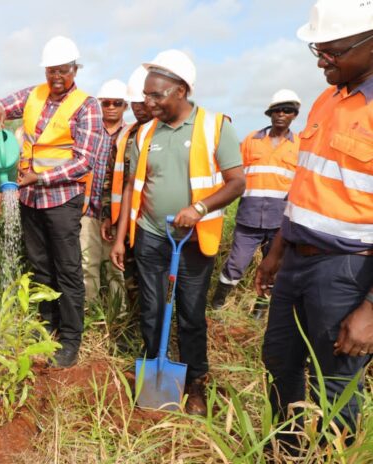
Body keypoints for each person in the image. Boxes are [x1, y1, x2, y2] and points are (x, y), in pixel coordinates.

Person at [256, 0, 373, 446]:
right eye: (318, 51)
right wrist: (276, 254)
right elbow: (305, 186)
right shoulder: (327, 99)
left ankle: (334, 455)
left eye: (334, 51)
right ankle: (283, 452)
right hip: (296, 262)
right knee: (279, 360)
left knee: (337, 381)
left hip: (346, 267)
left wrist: (370, 310)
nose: (323, 60)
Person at [110, 50, 245, 415]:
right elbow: (129, 189)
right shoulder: (145, 133)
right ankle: (155, 367)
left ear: (181, 91)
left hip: (194, 239)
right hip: (152, 234)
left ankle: (195, 382)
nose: (148, 102)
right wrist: (122, 237)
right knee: (152, 309)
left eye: (157, 95)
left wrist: (199, 208)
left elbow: (236, 183)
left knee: (189, 312)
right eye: (146, 95)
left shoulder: (215, 126)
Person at [0, 36, 103, 368]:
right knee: (39, 265)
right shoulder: (33, 93)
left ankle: (70, 340)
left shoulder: (86, 105)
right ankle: (45, 325)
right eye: (52, 70)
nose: (56, 77)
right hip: (30, 198)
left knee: (67, 270)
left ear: (74, 69)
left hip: (61, 199)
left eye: (63, 71)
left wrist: (40, 177)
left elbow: (84, 162)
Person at [211, 89, 301, 319]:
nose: (281, 114)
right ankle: (218, 304)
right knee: (236, 263)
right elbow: (233, 172)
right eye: (277, 110)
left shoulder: (299, 146)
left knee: (274, 268)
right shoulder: (251, 140)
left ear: (294, 115)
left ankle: (260, 309)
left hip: (279, 222)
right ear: (270, 113)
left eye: (287, 110)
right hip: (249, 217)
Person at [100, 67, 154, 311]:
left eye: (142, 102)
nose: (138, 108)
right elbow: (110, 179)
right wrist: (106, 215)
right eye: (134, 103)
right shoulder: (125, 135)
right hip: (127, 223)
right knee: (131, 280)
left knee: (154, 284)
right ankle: (134, 330)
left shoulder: (164, 134)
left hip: (154, 224)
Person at [79, 79, 126, 305]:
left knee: (116, 266)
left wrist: (114, 214)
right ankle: (90, 311)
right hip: (88, 208)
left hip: (116, 213)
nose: (111, 107)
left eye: (116, 103)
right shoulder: (90, 132)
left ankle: (118, 314)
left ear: (125, 106)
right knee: (88, 263)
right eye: (106, 102)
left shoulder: (130, 135)